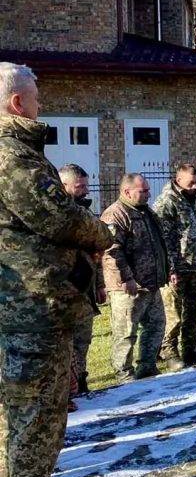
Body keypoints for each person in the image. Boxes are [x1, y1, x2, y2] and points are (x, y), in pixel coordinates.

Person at [0, 62, 112, 477]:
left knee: (20, 414)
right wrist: (101, 231)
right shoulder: (12, 156)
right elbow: (59, 217)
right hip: (32, 309)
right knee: (37, 415)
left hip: (27, 305)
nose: (41, 103)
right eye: (37, 96)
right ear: (17, 103)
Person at [101, 174, 169, 382]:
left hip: (151, 283)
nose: (148, 194)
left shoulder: (146, 212)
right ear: (127, 192)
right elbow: (112, 251)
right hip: (128, 287)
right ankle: (124, 374)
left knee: (156, 324)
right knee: (126, 331)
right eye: (143, 191)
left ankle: (147, 367)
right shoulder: (115, 215)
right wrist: (126, 278)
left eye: (148, 190)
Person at [154, 164, 196, 368]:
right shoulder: (167, 201)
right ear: (178, 179)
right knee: (173, 314)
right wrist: (171, 267)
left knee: (195, 311)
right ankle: (169, 351)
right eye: (190, 183)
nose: (194, 186)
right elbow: (164, 238)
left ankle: (191, 350)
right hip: (178, 267)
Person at [58, 163, 105, 397]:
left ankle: (81, 382)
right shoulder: (56, 217)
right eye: (80, 186)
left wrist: (100, 285)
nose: (86, 190)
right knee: (66, 345)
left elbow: (96, 254)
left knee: (83, 341)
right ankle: (66, 390)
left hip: (85, 291)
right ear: (63, 185)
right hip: (64, 291)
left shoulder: (85, 213)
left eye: (86, 185)